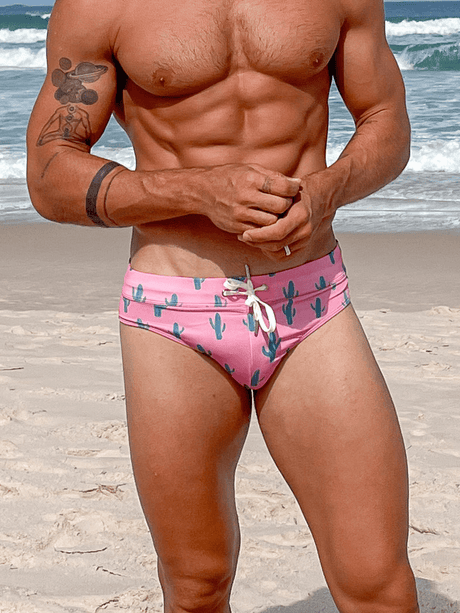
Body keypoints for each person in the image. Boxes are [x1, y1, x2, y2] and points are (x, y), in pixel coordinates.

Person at [27, 0, 419, 611]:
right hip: (173, 311)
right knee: (197, 586)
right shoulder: (99, 6)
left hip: (309, 298)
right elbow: (50, 173)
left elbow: (387, 121)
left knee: (379, 584)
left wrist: (327, 192)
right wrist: (197, 190)